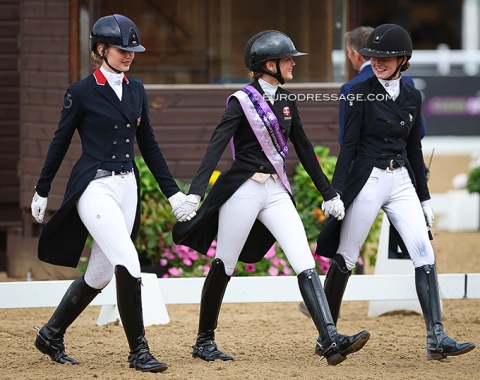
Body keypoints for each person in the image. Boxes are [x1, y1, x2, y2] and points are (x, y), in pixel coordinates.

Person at [172, 30, 370, 366]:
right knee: (226, 263)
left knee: (303, 258)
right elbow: (215, 147)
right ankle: (204, 341)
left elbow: (305, 150)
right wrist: (195, 193)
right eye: (288, 59)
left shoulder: (289, 101)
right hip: (243, 190)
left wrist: (329, 193)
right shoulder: (241, 101)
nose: (293, 63)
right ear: (269, 65)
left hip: (276, 190)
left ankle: (329, 338)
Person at [30, 14, 194, 373]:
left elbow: (148, 145)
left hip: (127, 186)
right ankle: (139, 352)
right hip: (96, 187)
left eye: (133, 50)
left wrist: (173, 194)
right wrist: (42, 190)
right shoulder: (81, 92)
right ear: (101, 49)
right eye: (123, 49)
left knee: (100, 274)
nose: (129, 55)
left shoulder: (136, 90)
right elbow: (59, 143)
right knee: (128, 261)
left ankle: (51, 333)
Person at [316, 23, 476, 360]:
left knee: (424, 253)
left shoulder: (412, 96)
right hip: (369, 179)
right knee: (346, 255)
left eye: (385, 57)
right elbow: (348, 147)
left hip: (401, 178)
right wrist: (336, 192)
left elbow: (415, 149)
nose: (377, 62)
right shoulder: (359, 92)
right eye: (373, 56)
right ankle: (326, 337)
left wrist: (425, 196)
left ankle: (436, 337)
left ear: (403, 59)